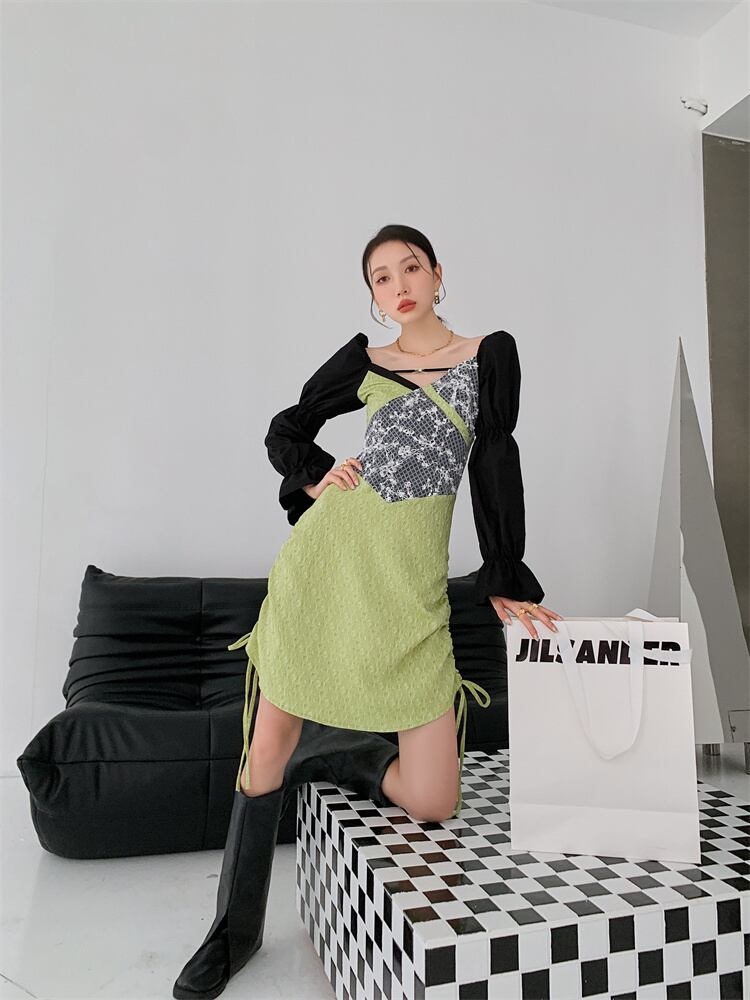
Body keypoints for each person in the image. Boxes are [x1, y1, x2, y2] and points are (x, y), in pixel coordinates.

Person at [173, 223, 561, 999]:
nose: (399, 285)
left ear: (438, 273)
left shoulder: (489, 354)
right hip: (329, 562)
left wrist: (504, 572)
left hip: (409, 583)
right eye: (382, 277)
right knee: (268, 746)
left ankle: (347, 754)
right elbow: (287, 429)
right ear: (374, 296)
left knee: (434, 800)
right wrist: (317, 476)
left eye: (409, 268)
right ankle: (232, 934)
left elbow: (495, 459)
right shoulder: (366, 361)